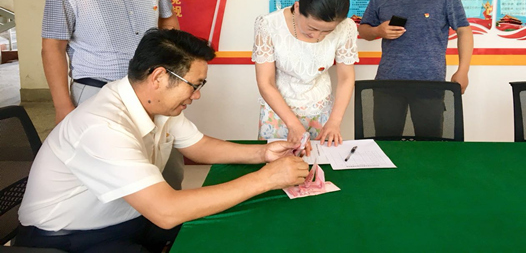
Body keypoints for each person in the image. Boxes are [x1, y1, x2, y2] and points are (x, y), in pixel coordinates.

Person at [16, 28, 309, 253]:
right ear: (158, 77)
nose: (197, 95)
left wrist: (263, 154)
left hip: (127, 218)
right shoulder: (102, 126)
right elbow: (166, 211)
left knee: (223, 227)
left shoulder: (156, 105)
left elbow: (200, 147)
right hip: (66, 237)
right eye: (194, 85)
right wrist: (265, 179)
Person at [41, 0, 184, 189]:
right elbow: (53, 48)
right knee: (108, 183)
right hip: (96, 92)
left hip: (152, 92)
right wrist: (62, 107)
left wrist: (171, 69)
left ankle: (169, 218)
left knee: (166, 173)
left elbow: (168, 20)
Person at [358, 0, 473, 139]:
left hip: (430, 82)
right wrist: (378, 32)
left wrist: (463, 71)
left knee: (430, 143)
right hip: (388, 83)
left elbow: (464, 31)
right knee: (385, 141)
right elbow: (363, 30)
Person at [252, 0, 358, 149]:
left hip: (320, 108)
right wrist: (293, 125)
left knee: (320, 160)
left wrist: (334, 121)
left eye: (327, 31)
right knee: (276, 159)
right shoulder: (269, 24)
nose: (317, 36)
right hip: (278, 110)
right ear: (297, 7)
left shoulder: (346, 27)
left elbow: (346, 78)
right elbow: (266, 82)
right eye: (312, 28)